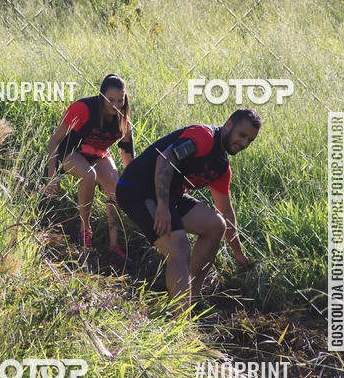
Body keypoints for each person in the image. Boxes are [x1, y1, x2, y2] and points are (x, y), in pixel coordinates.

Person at [115, 108, 261, 308]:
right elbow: (165, 160)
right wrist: (163, 208)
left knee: (216, 225)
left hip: (169, 195)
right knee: (179, 249)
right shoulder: (203, 137)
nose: (244, 143)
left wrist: (238, 253)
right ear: (228, 125)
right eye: (242, 135)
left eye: (250, 140)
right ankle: (182, 319)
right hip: (137, 189)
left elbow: (226, 211)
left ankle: (192, 298)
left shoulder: (221, 166)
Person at [45, 74, 134, 258]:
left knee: (116, 187)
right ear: (101, 96)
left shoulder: (123, 118)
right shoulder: (83, 109)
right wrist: (52, 176)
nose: (116, 105)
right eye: (110, 100)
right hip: (70, 152)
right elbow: (54, 140)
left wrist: (133, 185)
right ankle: (85, 230)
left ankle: (114, 244)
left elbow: (127, 156)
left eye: (120, 100)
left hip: (97, 153)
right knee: (89, 175)